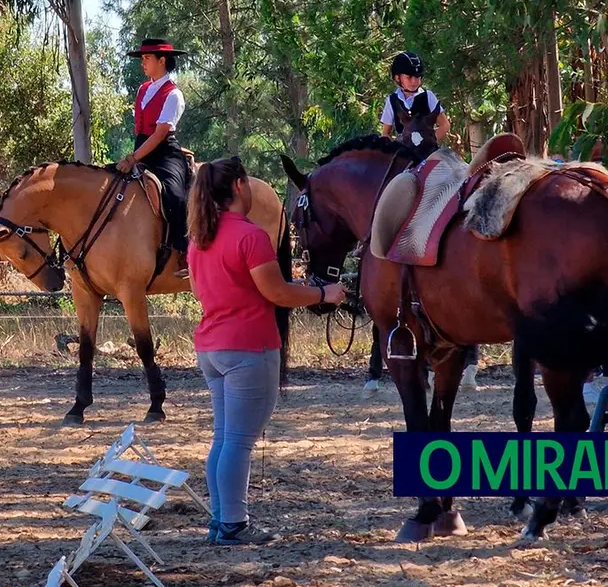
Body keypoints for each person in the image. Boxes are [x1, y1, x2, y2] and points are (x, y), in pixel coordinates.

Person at [187, 156, 346, 546]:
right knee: (238, 441)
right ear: (241, 187)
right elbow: (278, 293)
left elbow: (198, 290)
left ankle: (221, 518)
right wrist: (324, 293)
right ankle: (234, 525)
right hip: (248, 347)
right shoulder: (251, 237)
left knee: (224, 438)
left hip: (212, 347)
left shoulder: (199, 239)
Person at [370, 51, 478, 392]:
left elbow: (444, 124)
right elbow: (385, 132)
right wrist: (403, 143)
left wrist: (430, 139)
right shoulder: (391, 101)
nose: (415, 80)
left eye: (417, 76)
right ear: (398, 79)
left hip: (431, 154)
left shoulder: (429, 97)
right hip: (405, 156)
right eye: (409, 77)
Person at [118, 38, 193, 278]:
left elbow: (160, 133)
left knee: (173, 194)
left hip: (163, 153)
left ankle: (185, 253)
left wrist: (133, 158)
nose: (143, 63)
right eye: (142, 59)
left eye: (147, 58)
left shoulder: (174, 95)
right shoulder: (142, 89)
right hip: (141, 150)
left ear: (162, 61)